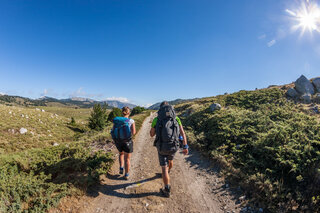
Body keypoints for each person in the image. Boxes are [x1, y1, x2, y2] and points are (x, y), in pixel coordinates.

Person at [150, 101, 189, 197]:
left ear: (161, 109)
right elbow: (182, 133)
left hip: (162, 147)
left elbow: (151, 134)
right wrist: (185, 146)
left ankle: (167, 189)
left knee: (164, 168)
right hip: (174, 146)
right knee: (170, 160)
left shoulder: (156, 119)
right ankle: (169, 171)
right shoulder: (176, 118)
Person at [111, 106, 136, 180]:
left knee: (121, 154)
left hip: (118, 141)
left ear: (122, 112)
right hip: (127, 141)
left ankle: (121, 167)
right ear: (129, 112)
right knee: (127, 159)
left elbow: (113, 130)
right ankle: (126, 174)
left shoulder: (117, 120)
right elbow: (134, 132)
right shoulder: (131, 121)